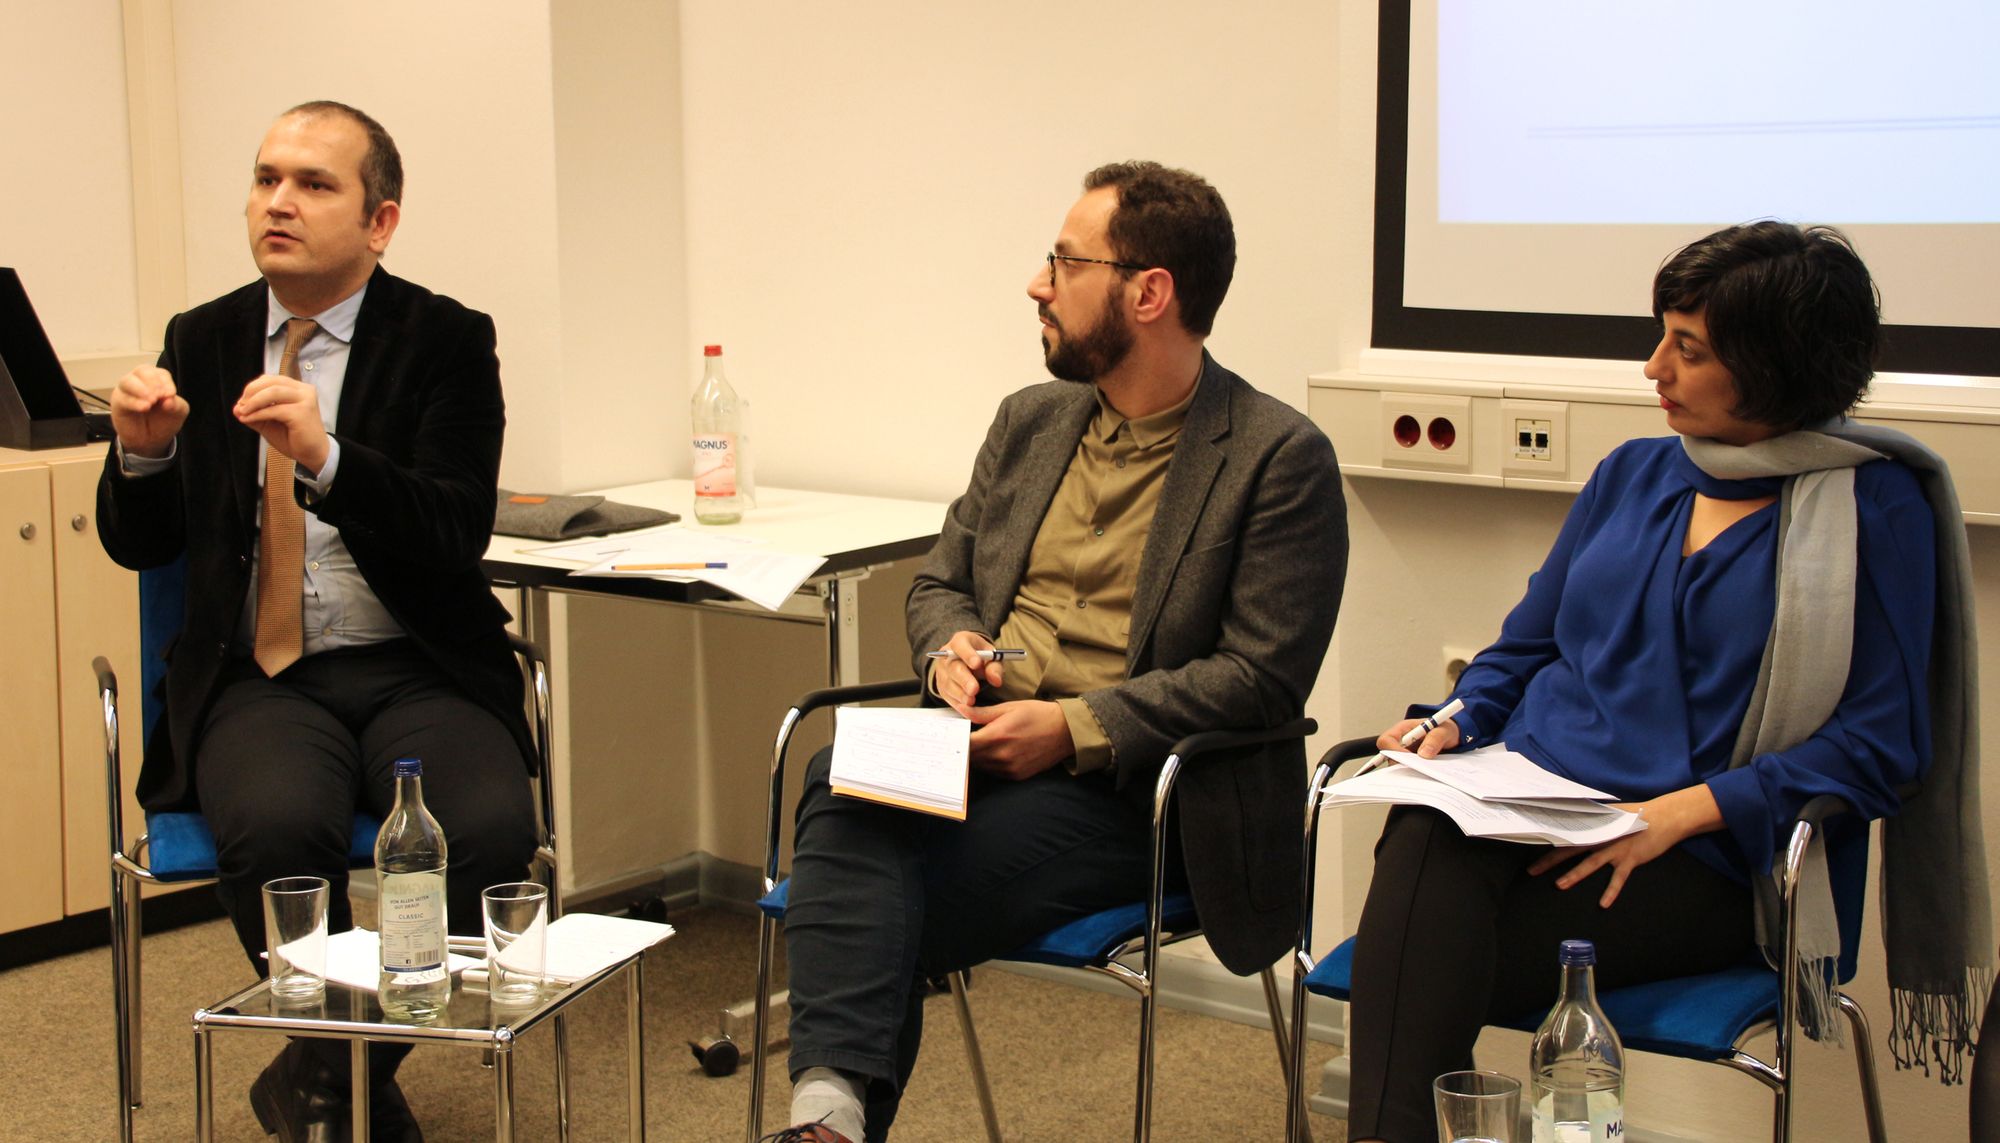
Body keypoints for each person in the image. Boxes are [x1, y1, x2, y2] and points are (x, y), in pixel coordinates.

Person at [1342, 221, 1990, 1142]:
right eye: (1662, 337)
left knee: (1420, 950)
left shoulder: (1872, 509)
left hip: (1715, 858)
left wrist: (1682, 810)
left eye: (1688, 348)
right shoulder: (1633, 472)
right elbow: (1523, 648)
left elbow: (1882, 746)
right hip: (1541, 802)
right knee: (1425, 836)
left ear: (1776, 365)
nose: (1654, 368)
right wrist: (1455, 718)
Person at [763, 162, 1347, 1143]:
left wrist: (1074, 729)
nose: (1036, 284)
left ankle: (825, 1121)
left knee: (867, 899)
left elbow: (1260, 677)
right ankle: (831, 1125)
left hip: (1144, 798)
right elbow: (939, 580)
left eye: (1062, 262)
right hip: (974, 748)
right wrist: (948, 650)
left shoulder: (1275, 457)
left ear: (1146, 293)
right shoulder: (1027, 423)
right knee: (840, 773)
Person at [97, 102, 537, 1142]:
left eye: (313, 184)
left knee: (487, 837)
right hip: (260, 676)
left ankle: (329, 1072)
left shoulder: (445, 338)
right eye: (265, 179)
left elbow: (453, 523)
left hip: (417, 665)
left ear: (379, 222)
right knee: (277, 838)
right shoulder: (199, 338)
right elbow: (142, 544)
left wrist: (327, 459)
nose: (278, 202)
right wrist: (144, 455)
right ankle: (355, 1077)